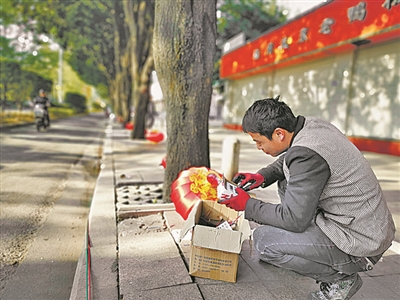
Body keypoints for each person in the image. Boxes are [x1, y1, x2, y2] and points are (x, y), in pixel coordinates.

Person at [221, 96, 395, 300]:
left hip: (360, 243)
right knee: (285, 182)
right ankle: (308, 242)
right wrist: (263, 176)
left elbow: (294, 219)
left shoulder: (306, 155)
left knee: (264, 242)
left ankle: (340, 280)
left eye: (259, 142)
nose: (258, 147)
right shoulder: (311, 126)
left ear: (279, 134)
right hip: (364, 226)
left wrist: (247, 205)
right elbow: (291, 158)